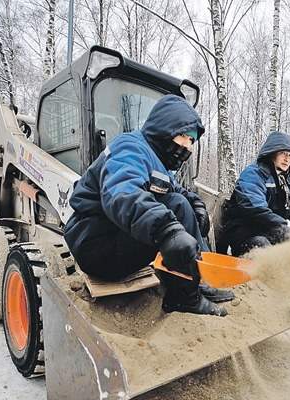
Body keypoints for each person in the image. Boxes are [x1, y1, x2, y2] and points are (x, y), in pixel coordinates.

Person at [64, 94, 234, 317]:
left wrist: (197, 205)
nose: (187, 147)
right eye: (183, 136)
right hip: (96, 245)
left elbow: (173, 190)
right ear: (165, 129)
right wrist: (167, 231)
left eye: (191, 141)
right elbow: (123, 193)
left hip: (114, 240)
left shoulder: (158, 162)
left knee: (182, 202)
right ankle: (184, 297)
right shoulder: (131, 148)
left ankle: (199, 279)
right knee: (176, 207)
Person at [218, 131, 290, 257]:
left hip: (272, 232)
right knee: (264, 248)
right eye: (282, 153)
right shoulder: (253, 174)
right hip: (245, 232)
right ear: (272, 153)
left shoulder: (288, 181)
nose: (287, 158)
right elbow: (255, 209)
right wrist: (286, 228)